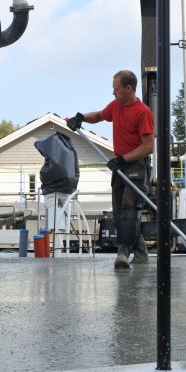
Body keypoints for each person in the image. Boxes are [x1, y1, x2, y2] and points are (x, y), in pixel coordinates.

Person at [66, 70, 154, 269]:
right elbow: (98, 116)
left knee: (129, 210)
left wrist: (124, 158)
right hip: (120, 165)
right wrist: (80, 118)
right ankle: (140, 253)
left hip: (136, 166)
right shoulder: (116, 106)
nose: (113, 93)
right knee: (119, 212)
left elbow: (148, 146)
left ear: (128, 88)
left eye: (116, 89)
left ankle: (123, 252)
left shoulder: (143, 112)